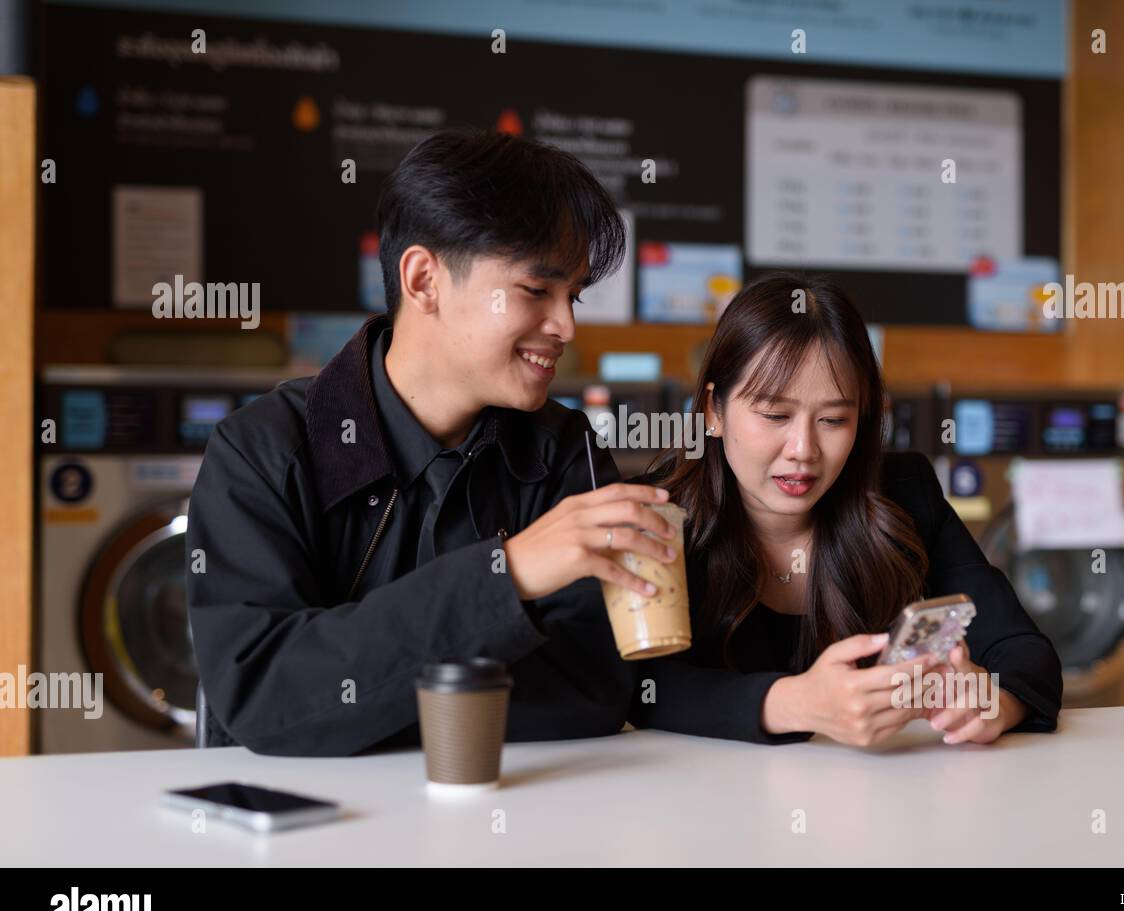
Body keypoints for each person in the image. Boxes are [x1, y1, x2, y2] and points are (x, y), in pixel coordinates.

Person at [186, 128, 676, 756]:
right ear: (423, 280)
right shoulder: (262, 451)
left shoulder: (562, 450)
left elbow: (594, 691)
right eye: (536, 290)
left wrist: (357, 701)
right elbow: (265, 696)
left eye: (573, 296)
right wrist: (508, 575)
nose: (566, 326)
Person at [628, 273, 1063, 747]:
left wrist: (993, 701)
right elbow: (640, 687)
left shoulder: (904, 494)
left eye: (834, 419)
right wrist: (793, 703)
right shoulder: (655, 516)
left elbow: (1022, 650)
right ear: (714, 410)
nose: (803, 449)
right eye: (775, 416)